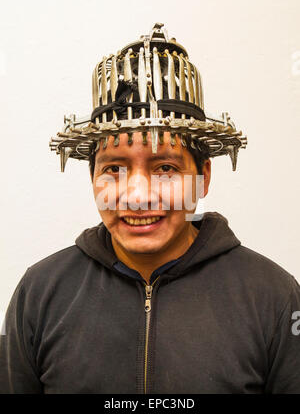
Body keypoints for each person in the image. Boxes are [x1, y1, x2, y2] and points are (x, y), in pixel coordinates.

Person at [1, 23, 300, 394]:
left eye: (165, 168)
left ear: (203, 177)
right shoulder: (40, 292)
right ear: (91, 177)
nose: (138, 195)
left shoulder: (272, 295)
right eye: (113, 168)